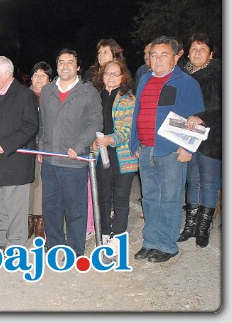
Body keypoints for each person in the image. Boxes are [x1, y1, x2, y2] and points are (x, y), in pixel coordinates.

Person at [130, 35, 204, 263]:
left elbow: (198, 118)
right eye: (154, 55)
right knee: (150, 198)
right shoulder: (144, 79)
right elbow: (138, 113)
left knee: (170, 199)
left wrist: (187, 148)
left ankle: (166, 244)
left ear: (175, 57)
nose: (158, 59)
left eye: (164, 55)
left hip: (172, 150)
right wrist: (135, 142)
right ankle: (150, 241)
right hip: (146, 148)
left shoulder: (186, 82)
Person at [39, 48, 103, 256]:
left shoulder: (88, 92)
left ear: (78, 67)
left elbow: (95, 123)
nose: (65, 66)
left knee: (75, 209)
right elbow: (42, 123)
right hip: (50, 160)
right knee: (51, 207)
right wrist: (41, 147)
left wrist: (78, 147)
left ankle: (76, 249)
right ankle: (54, 245)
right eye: (61, 62)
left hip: (74, 161)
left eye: (70, 62)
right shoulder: (48, 90)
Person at [0, 56, 38, 248]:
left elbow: (30, 126)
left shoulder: (24, 95)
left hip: (15, 157)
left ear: (7, 74)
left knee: (15, 205)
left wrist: (7, 143)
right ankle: (1, 239)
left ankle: (16, 243)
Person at [92, 60, 139, 258]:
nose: (111, 77)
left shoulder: (128, 98)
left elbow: (129, 129)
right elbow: (89, 125)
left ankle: (118, 238)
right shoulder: (95, 97)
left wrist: (111, 139)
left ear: (123, 77)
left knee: (120, 199)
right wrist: (92, 143)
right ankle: (103, 237)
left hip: (122, 155)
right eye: (107, 73)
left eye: (115, 74)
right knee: (102, 197)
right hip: (100, 154)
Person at [178, 33, 221, 248]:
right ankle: (190, 226)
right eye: (194, 48)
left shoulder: (219, 73)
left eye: (202, 49)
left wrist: (203, 117)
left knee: (209, 182)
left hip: (211, 137)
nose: (197, 53)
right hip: (187, 136)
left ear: (211, 54)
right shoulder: (181, 74)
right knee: (192, 181)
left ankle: (203, 228)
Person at [27, 61, 52, 240]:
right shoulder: (24, 95)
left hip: (46, 147)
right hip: (27, 147)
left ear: (49, 79)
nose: (38, 79)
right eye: (36, 75)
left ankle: (41, 220)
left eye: (43, 75)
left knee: (42, 185)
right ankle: (28, 219)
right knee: (28, 185)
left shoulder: (53, 97)